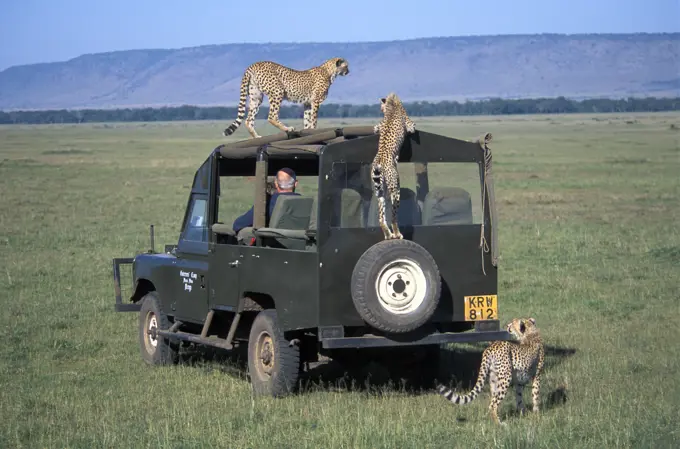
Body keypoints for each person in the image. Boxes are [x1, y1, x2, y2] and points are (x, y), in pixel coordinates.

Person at [233, 168, 300, 233]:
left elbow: (238, 225)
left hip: (273, 243)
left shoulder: (268, 202)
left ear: (276, 183)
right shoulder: (306, 203)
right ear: (296, 183)